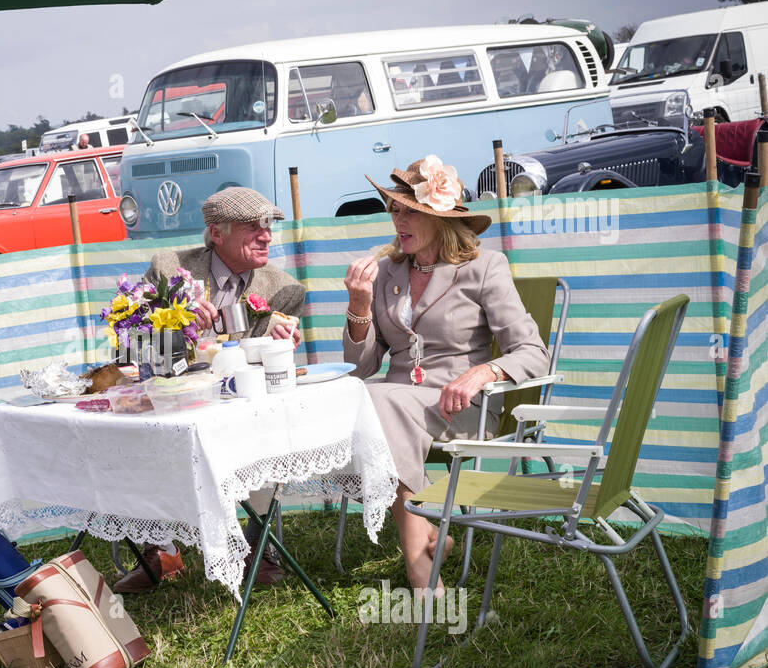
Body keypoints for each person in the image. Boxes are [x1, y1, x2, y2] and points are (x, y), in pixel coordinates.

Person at [343, 156, 550, 596]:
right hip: (397, 404)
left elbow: (533, 353)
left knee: (376, 405)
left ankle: (420, 569)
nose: (398, 219)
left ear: (440, 219)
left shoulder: (484, 267)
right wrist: (359, 308)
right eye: (394, 209)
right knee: (358, 399)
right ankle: (428, 537)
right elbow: (361, 368)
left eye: (410, 210)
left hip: (461, 406)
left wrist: (484, 372)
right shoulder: (386, 273)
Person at [113, 186, 305, 594]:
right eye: (252, 228)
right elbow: (131, 347)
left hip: (239, 405)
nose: (266, 236)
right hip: (175, 396)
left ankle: (259, 543)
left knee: (266, 424)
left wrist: (282, 342)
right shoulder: (169, 269)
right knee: (137, 432)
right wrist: (175, 324)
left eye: (268, 226)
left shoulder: (282, 287)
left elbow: (270, 362)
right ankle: (162, 552)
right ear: (217, 234)